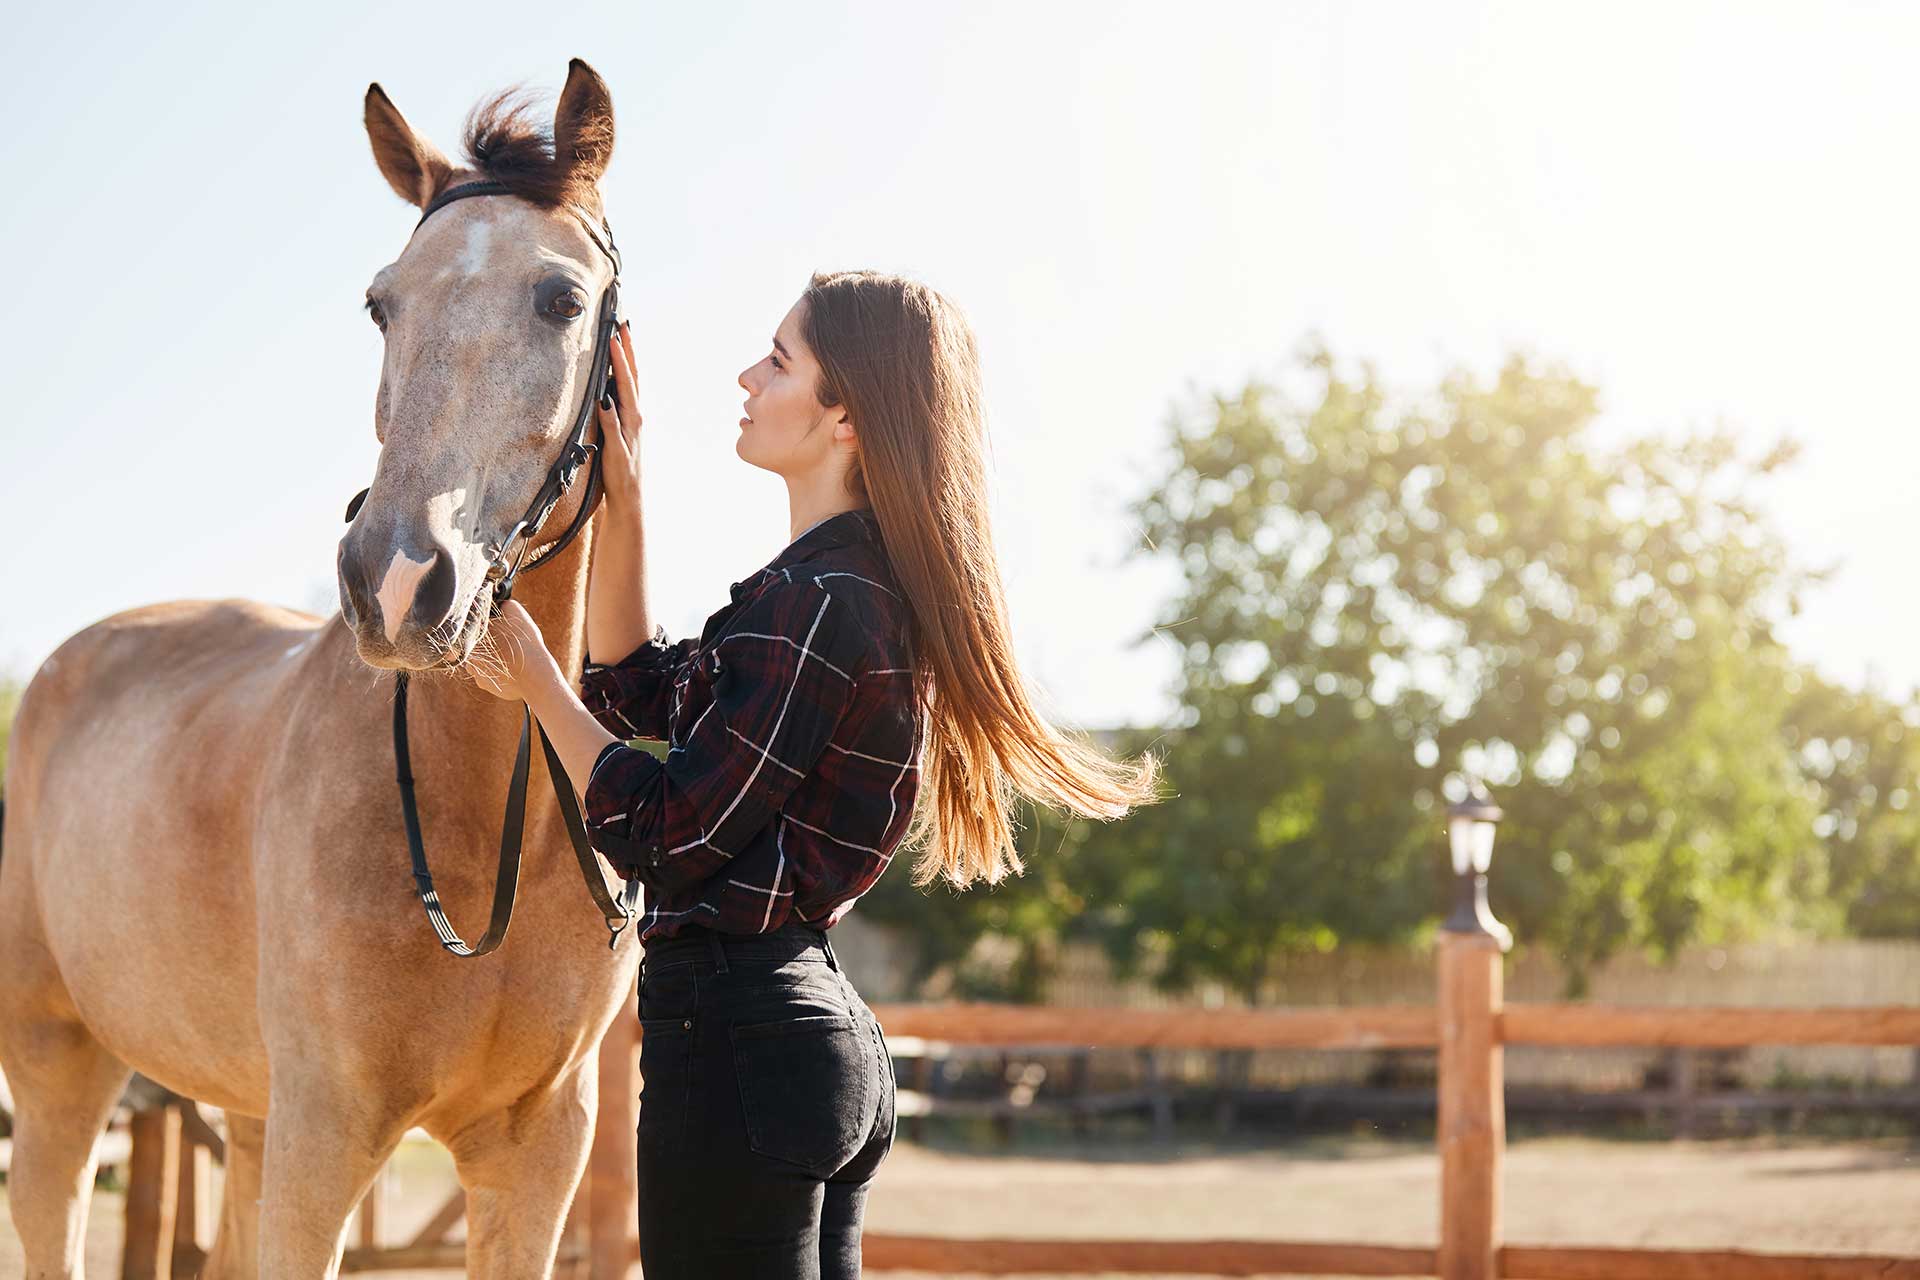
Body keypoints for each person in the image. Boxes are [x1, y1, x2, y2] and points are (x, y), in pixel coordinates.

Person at [470, 269, 1163, 1279]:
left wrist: (536, 681)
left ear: (846, 418)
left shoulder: (822, 602)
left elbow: (667, 832)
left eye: (779, 360)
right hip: (798, 1039)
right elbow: (638, 690)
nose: (748, 378)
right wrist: (629, 496)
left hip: (740, 1046)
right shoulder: (830, 591)